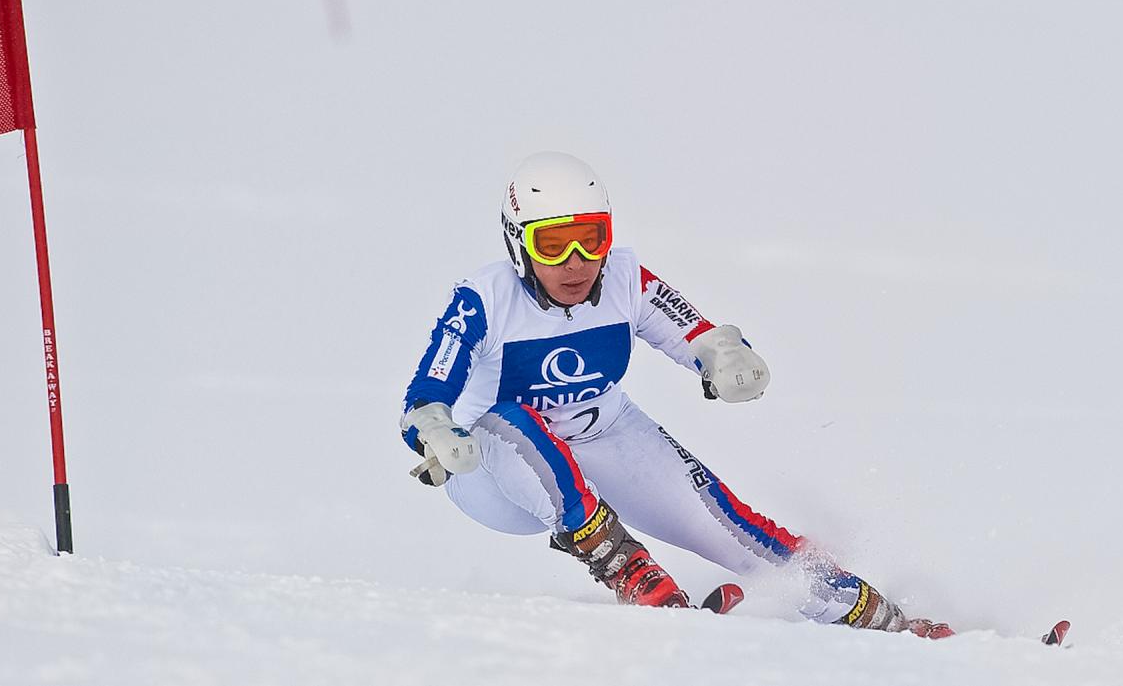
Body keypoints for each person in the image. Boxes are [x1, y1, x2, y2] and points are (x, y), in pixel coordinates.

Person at [399, 151, 953, 637]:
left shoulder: (623, 277)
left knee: (734, 529)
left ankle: (877, 615)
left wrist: (725, 355)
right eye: (551, 242)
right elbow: (427, 392)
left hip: (601, 433)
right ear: (518, 243)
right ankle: (624, 566)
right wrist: (436, 430)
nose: (575, 262)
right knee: (509, 416)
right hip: (493, 468)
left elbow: (695, 333)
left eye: (590, 238)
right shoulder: (484, 298)